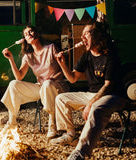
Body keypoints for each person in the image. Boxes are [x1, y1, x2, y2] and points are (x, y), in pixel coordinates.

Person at [51, 22, 126, 159]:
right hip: (93, 94)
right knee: (61, 98)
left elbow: (108, 86)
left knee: (96, 108)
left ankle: (81, 152)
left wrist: (91, 103)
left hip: (113, 95)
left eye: (86, 33)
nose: (82, 38)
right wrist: (62, 63)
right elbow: (73, 78)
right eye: (81, 35)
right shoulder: (86, 56)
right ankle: (71, 135)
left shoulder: (110, 56)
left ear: (98, 35)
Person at [1, 25, 69, 138]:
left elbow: (63, 69)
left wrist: (52, 78)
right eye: (26, 34)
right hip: (42, 87)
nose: (29, 34)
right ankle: (12, 122)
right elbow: (19, 77)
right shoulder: (28, 56)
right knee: (13, 84)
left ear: (36, 33)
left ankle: (52, 123)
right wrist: (11, 59)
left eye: (31, 31)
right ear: (25, 40)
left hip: (57, 86)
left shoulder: (51, 48)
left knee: (47, 84)